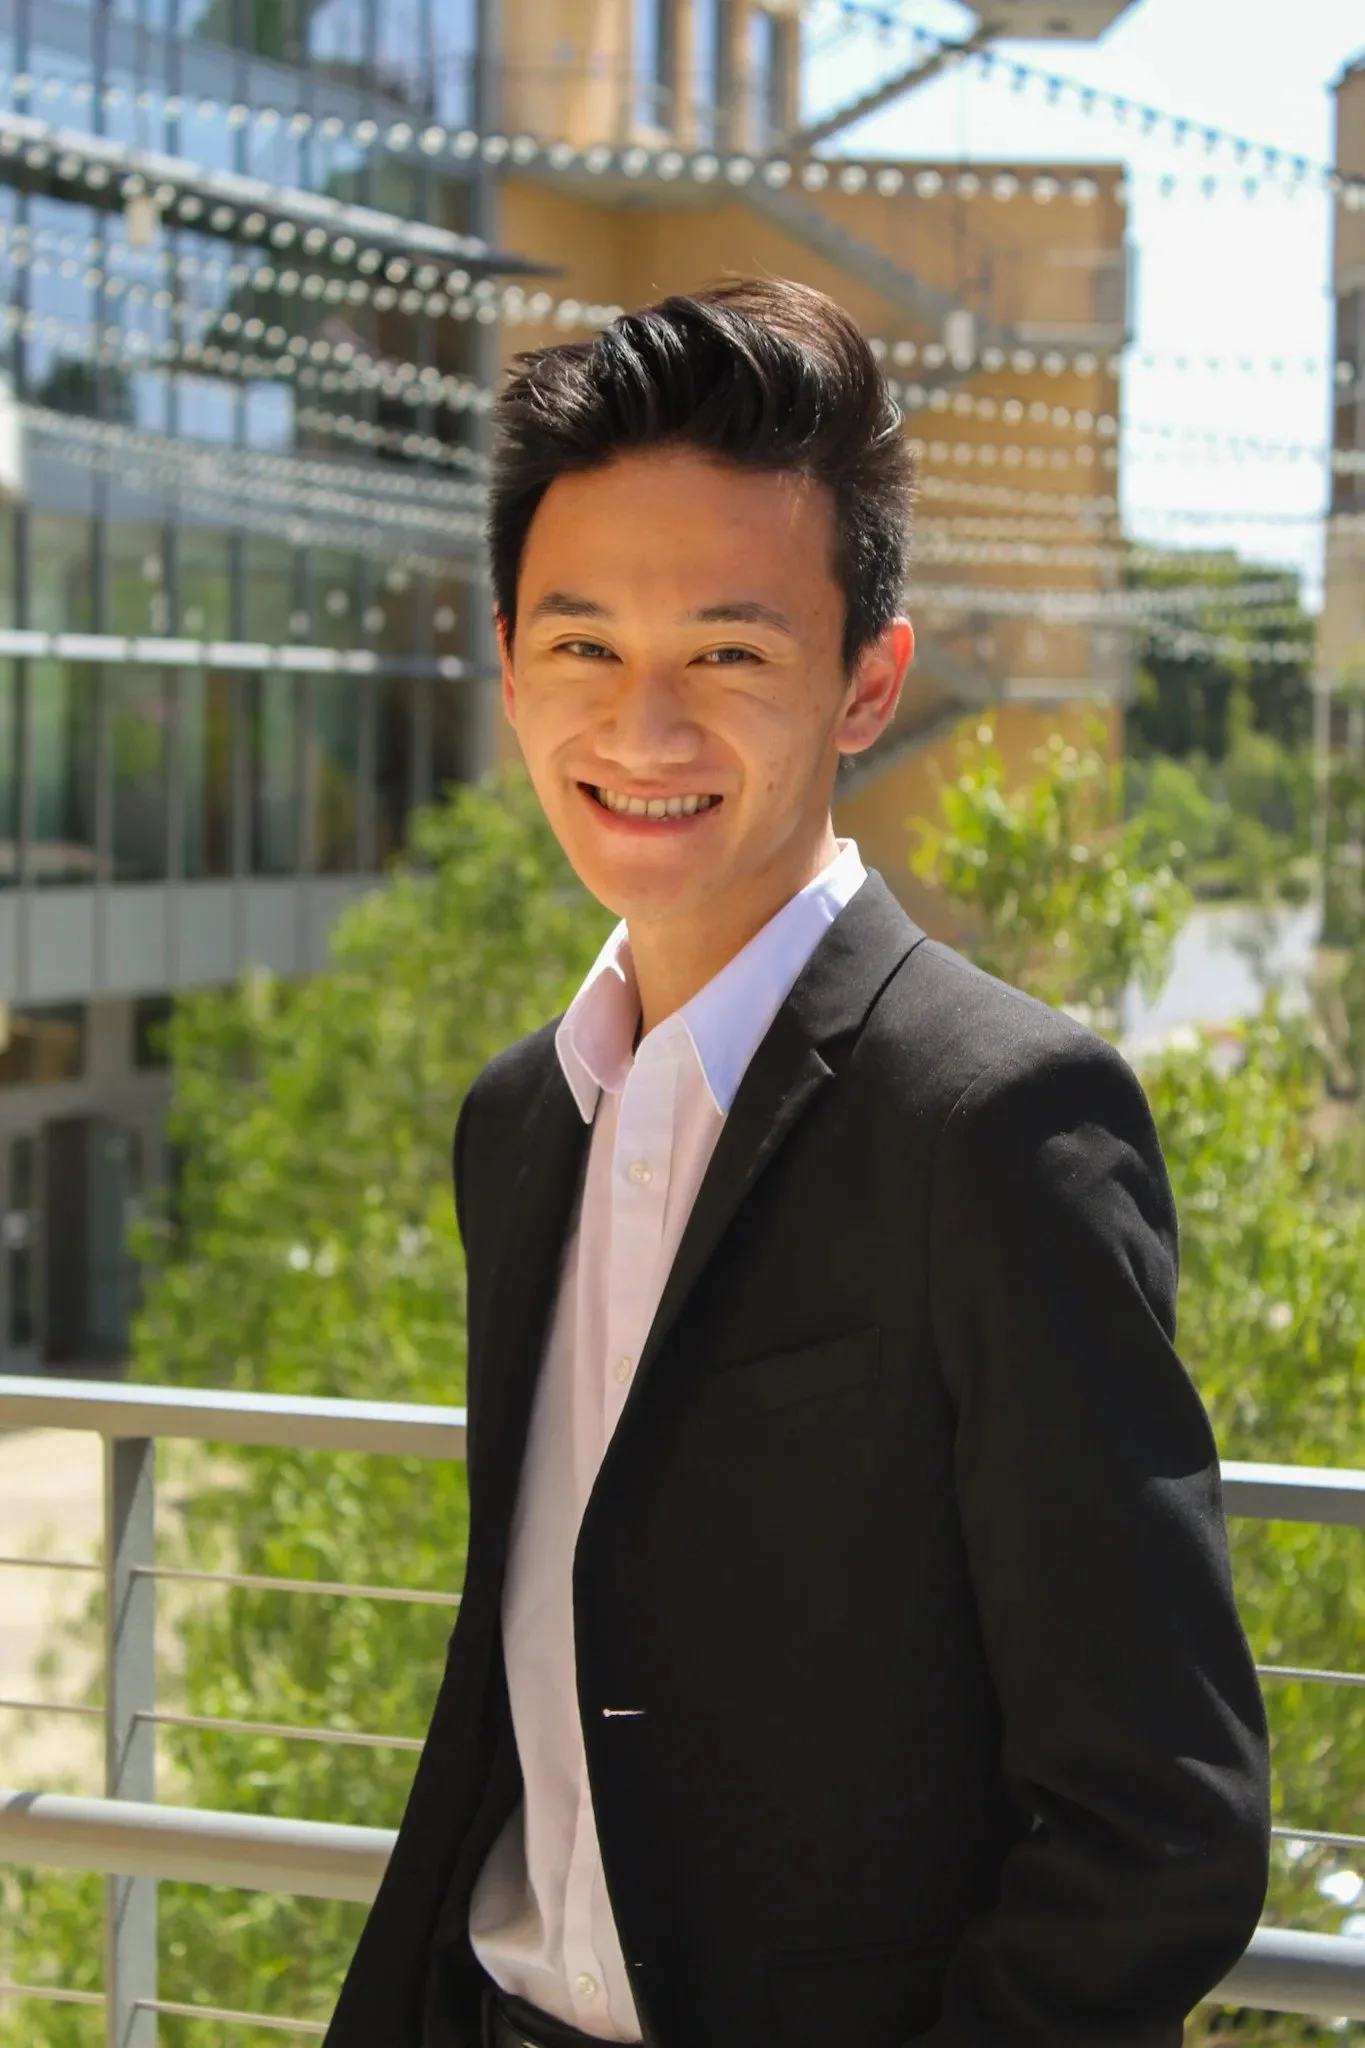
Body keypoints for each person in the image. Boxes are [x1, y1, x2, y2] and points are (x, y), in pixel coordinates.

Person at [323, 277, 1270, 2048]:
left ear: (867, 684)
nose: (643, 730)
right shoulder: (519, 1120)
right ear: (509, 662)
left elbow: (1164, 1825)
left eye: (731, 655)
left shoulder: (1000, 1123)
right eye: (585, 647)